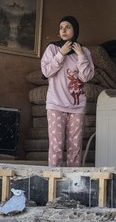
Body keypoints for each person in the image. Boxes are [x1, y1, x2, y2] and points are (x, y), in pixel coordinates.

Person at [40, 16, 94, 167]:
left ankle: (74, 184)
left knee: (75, 148)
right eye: (61, 28)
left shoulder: (84, 51)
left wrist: (81, 55)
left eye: (68, 27)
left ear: (75, 30)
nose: (63, 30)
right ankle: (53, 182)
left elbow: (86, 76)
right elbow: (46, 72)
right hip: (55, 105)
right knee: (56, 147)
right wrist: (61, 54)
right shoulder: (52, 49)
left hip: (77, 107)